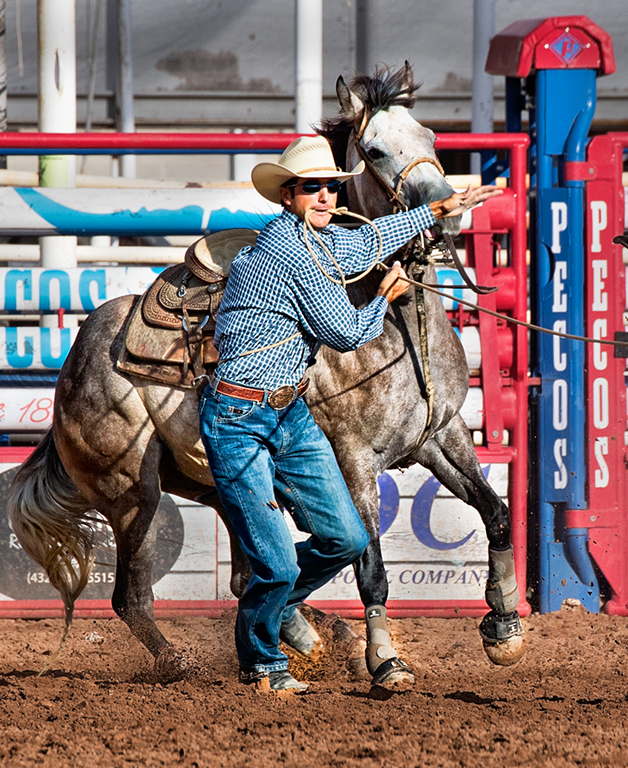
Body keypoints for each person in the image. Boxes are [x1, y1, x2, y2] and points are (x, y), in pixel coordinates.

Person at [198, 135, 500, 693]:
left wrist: (433, 210)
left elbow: (365, 243)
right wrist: (384, 296)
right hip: (239, 419)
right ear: (288, 195)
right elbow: (345, 332)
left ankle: (271, 606)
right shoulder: (290, 254)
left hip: (286, 414)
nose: (324, 196)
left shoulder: (314, 243)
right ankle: (262, 663)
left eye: (331, 187)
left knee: (347, 538)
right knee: (280, 563)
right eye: (312, 187)